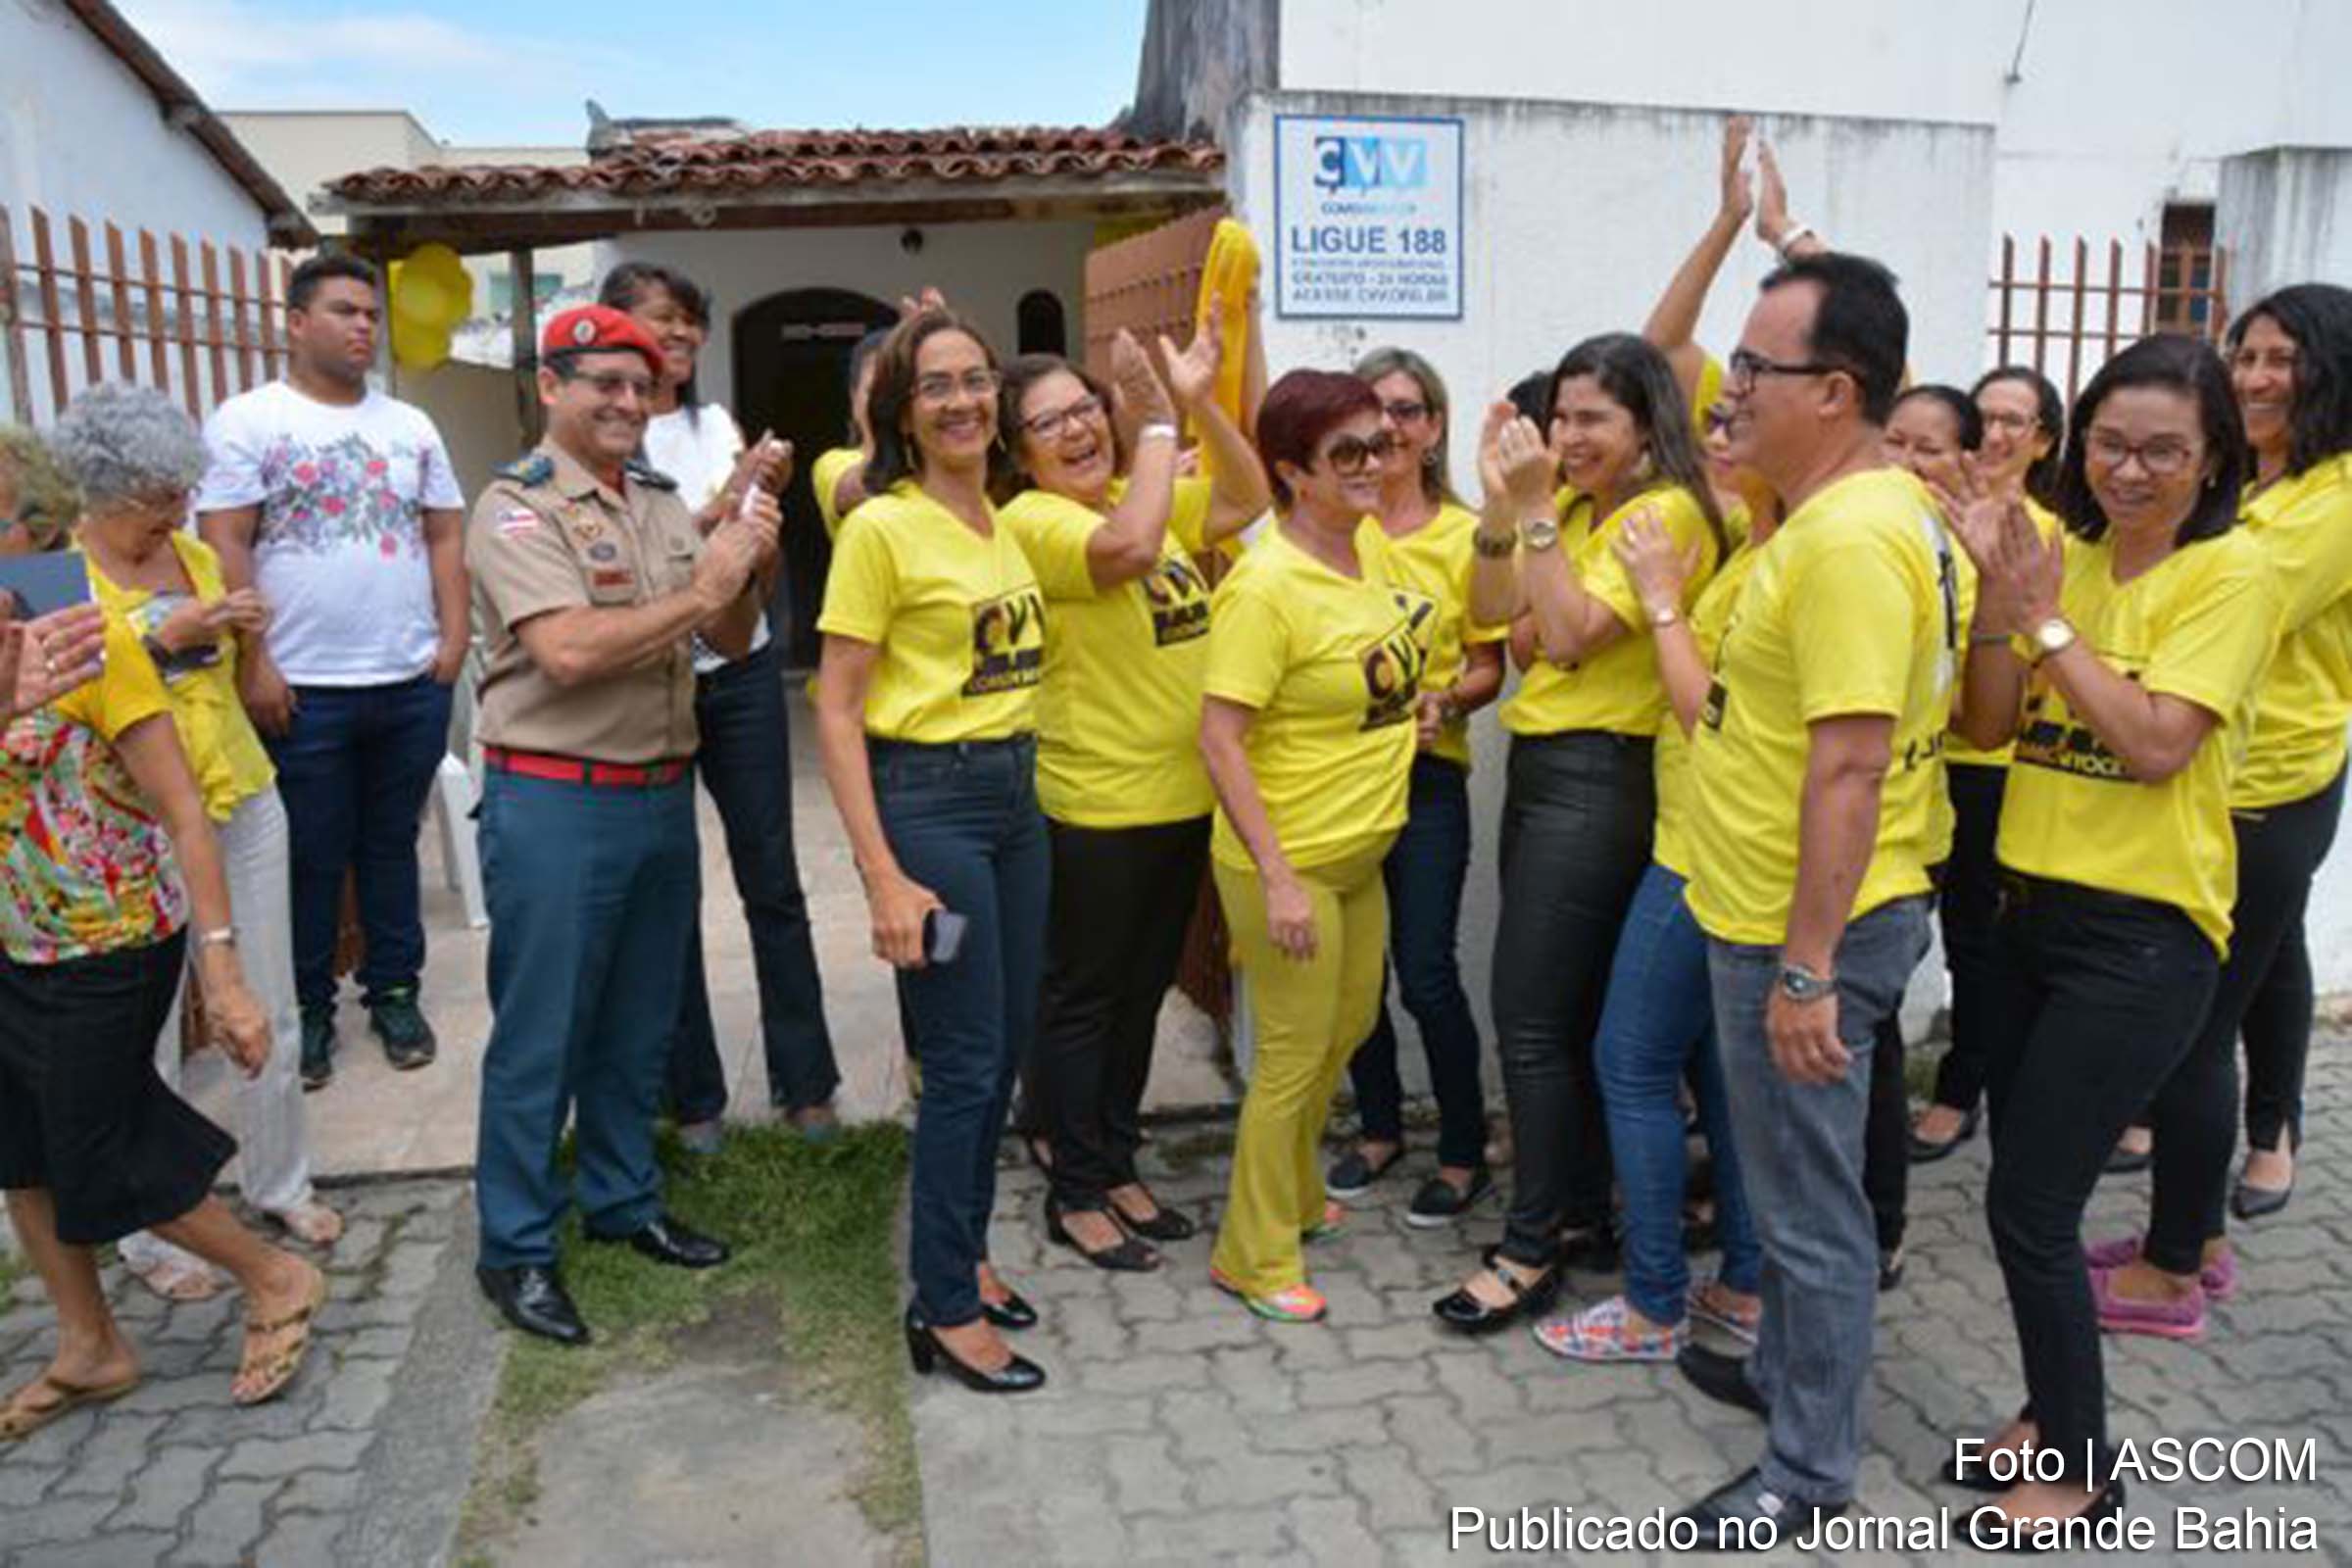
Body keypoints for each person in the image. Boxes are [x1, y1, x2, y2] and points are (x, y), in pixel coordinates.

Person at [1942, 334, 2278, 1534]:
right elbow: (1987, 728)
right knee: (2020, 1189)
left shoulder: (2233, 578)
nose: (2131, 470)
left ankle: (2080, 1466)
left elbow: (2151, 744)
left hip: (2142, 943)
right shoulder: (2061, 559)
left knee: (2031, 1209)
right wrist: (1999, 598)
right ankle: (2046, 1412)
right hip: (2029, 915)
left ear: (2213, 459)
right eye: (2111, 443)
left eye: (2164, 450)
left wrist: (2043, 626)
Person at [1670, 254, 1950, 1544]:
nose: (1731, 392)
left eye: (1755, 370)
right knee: (1787, 1187)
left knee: (1807, 1206)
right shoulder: (1844, 514)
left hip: (1809, 926)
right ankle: (1792, 1376)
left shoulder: (1847, 538)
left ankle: (1811, 1466)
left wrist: (1805, 969)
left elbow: (1848, 762)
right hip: (1768, 909)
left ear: (1835, 391)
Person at [2, 408, 324, 1438]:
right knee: (22, 1150)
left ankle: (272, 1275)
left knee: (100, 1150)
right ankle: (90, 1342)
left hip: (105, 933)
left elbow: (184, 803)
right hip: (16, 933)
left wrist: (222, 971)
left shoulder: (84, 629)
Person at [466, 305, 775, 1346]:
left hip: (655, 792)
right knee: (542, 1033)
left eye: (641, 387)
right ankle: (514, 1245)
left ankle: (623, 1200)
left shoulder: (655, 500)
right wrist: (706, 585)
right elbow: (569, 651)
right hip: (556, 798)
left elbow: (725, 633)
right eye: (602, 381)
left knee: (640, 1021)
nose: (626, 402)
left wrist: (747, 562)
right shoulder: (516, 508)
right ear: (550, 387)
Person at [1436, 334, 1725, 1335]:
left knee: (1529, 1019)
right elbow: (1491, 618)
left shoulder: (1668, 514)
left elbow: (1554, 639)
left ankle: (1530, 1244)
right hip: (1548, 772)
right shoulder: (1564, 509)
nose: (1568, 435)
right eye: (1560, 417)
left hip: (1602, 778)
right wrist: (1504, 510)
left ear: (1649, 423)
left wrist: (1539, 554)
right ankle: (1584, 1212)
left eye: (1592, 417)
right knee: (1564, 1018)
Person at [2089, 284, 2352, 1335]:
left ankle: (2173, 1272)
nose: (2254, 376)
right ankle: (2189, 1235)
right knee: (2222, 1006)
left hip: (2263, 787)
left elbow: (2221, 600)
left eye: (2281, 359)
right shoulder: (2262, 478)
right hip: (2228, 780)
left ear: (2329, 369)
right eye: (2243, 354)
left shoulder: (2331, 500)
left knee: (2193, 1030)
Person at [51, 387, 343, 1306]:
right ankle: (147, 1232)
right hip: (132, 818)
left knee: (270, 1002)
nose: (180, 510)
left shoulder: (195, 555)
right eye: (159, 496)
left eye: (182, 491)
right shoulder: (62, 578)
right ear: (104, 491)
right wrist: (157, 635)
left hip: (241, 789)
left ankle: (280, 1184)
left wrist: (250, 644)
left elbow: (248, 676)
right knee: (149, 1037)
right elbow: (62, 692)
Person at [813, 308, 1049, 1393]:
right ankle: (945, 1306)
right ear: (900, 416)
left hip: (1013, 798)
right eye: (936, 386)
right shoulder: (882, 529)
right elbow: (838, 709)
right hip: (933, 811)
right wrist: (884, 873)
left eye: (976, 379)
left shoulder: (996, 518)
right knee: (962, 1064)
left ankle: (969, 1249)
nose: (963, 401)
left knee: (998, 1052)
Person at [998, 319, 1266, 1270]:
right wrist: (1154, 429)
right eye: (1049, 423)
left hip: (1179, 799)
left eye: (1085, 408)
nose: (1078, 430)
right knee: (1085, 1001)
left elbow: (1246, 494)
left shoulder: (1128, 487)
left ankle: (1114, 1158)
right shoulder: (1039, 522)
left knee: (1141, 996)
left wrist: (1190, 404)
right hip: (1096, 808)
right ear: (1018, 454)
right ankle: (1074, 1187)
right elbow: (1132, 548)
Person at [1533, 397, 1769, 1363]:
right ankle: (1748, 1285)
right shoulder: (1754, 541)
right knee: (1718, 1078)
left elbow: (1708, 715)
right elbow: (1531, 637)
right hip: (1703, 834)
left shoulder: (1761, 554)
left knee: (1628, 1062)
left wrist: (1663, 598)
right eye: (1713, 422)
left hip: (1708, 848)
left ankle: (1654, 1303)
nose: (1720, 438)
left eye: (1740, 424)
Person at [196, 253, 468, 1087]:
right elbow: (225, 541)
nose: (363, 327)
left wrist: (452, 642)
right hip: (302, 685)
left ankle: (393, 991)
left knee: (392, 846)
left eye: (371, 315)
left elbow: (444, 533)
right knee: (311, 853)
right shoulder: (249, 420)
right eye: (345, 311)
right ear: (296, 321)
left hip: (407, 678)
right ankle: (308, 1009)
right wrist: (257, 661)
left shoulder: (409, 427)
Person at [601, 262, 842, 1152]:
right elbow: (647, 557)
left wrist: (758, 515)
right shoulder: (604, 438)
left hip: (738, 674)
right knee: (669, 893)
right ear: (613, 324)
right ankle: (692, 1095)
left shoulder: (714, 425)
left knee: (771, 880)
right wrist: (730, 495)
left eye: (692, 321)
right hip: (649, 680)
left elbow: (753, 555)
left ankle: (807, 1085)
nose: (683, 335)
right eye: (664, 317)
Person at [1200, 369, 1421, 1323]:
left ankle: (1293, 1195)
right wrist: (1282, 881)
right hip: (1284, 863)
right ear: (1292, 472)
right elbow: (1219, 736)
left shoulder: (1368, 552)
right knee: (1291, 1058)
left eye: (1379, 443)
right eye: (1348, 453)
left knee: (1349, 1027)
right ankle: (1251, 1254)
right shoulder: (1267, 585)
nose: (1374, 465)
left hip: (1360, 853)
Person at [1323, 347, 1503, 1227]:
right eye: (1372, 411)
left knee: (1425, 971)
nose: (1388, 427)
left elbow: (1488, 666)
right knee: (1355, 971)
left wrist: (1445, 700)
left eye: (1406, 410)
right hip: (1340, 778)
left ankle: (1465, 1149)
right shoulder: (1331, 530)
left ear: (1434, 428)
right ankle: (1381, 1126)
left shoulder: (1466, 538)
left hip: (1427, 777)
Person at [1911, 367, 2068, 1163]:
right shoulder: (1931, 510)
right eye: (1987, 417)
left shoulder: (2040, 531)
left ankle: (1960, 1088)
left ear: (2044, 441)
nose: (1998, 433)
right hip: (1919, 756)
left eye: (2017, 421)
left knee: (1971, 936)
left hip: (1989, 759)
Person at [1861, 382, 1984, 1291]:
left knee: (1865, 1044)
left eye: (1928, 449)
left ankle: (1880, 1230)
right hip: (1848, 831)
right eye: (1891, 441)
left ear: (1966, 464)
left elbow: (1979, 717)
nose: (1904, 464)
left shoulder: (1961, 561)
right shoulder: (1861, 538)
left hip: (1899, 832)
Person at [813, 327, 892, 542]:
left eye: (896, 389)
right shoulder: (834, 463)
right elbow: (854, 489)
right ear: (854, 399)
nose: (885, 401)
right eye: (873, 390)